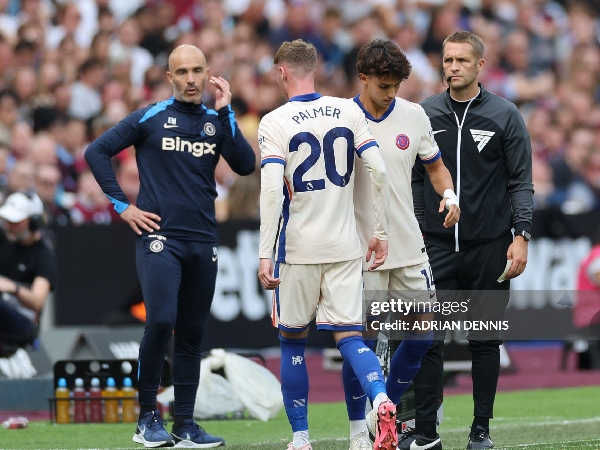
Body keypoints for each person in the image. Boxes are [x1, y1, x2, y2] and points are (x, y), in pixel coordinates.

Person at [85, 44, 256, 448]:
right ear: (170, 77)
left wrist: (227, 109)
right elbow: (97, 151)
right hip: (160, 238)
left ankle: (185, 423)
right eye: (183, 72)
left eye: (198, 70)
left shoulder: (216, 121)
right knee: (161, 320)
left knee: (193, 332)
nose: (192, 79)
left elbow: (245, 165)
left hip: (203, 238)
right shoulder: (150, 116)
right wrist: (123, 206)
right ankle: (146, 418)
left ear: (208, 72)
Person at [257, 39, 398, 450]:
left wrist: (266, 251)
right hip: (345, 245)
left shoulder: (274, 122)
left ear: (282, 72)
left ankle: (301, 437)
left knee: (292, 340)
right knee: (351, 338)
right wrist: (381, 231)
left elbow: (270, 192)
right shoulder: (348, 109)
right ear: (314, 70)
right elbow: (380, 170)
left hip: (297, 247)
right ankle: (380, 402)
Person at [409, 31, 534, 450]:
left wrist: (522, 235)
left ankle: (480, 429)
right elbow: (412, 177)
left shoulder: (505, 115)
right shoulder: (423, 114)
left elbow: (521, 182)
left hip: (488, 248)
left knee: (485, 341)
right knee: (428, 339)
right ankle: (427, 430)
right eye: (447, 60)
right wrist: (419, 229)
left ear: (481, 65)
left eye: (462, 60)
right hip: (437, 248)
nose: (453, 67)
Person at [344, 38, 460, 449]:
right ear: (363, 78)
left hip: (409, 246)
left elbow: (436, 167)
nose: (391, 93)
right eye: (383, 85)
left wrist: (449, 195)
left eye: (396, 85)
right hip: (360, 251)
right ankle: (359, 429)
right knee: (358, 341)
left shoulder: (413, 115)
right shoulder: (342, 119)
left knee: (420, 336)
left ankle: (384, 412)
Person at [0, 191, 57, 356]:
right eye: (8, 221)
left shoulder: (43, 255)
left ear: (33, 222)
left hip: (23, 321)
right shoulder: (4, 240)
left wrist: (11, 287)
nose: (9, 226)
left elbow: (37, 300)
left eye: (16, 222)